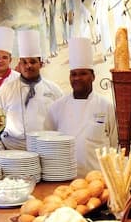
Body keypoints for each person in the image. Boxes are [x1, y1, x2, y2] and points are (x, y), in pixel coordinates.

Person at [43, 37, 117, 175]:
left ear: (93, 76)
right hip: (64, 177)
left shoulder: (106, 106)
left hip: (98, 179)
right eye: (73, 74)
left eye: (83, 73)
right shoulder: (56, 108)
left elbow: (115, 144)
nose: (77, 78)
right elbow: (48, 142)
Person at [0, 29, 63, 149]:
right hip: (13, 149)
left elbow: (62, 121)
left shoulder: (54, 90)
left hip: (47, 147)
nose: (28, 66)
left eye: (33, 62)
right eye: (24, 62)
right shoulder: (5, 90)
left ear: (40, 64)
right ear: (19, 64)